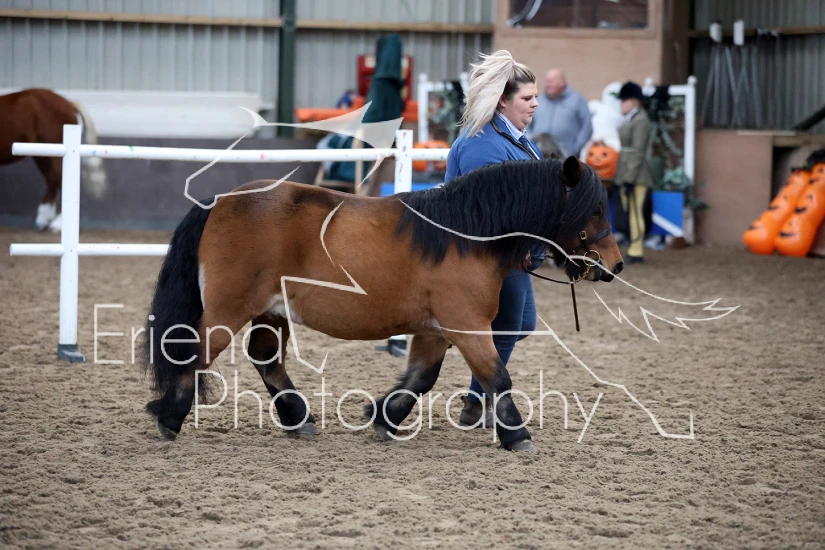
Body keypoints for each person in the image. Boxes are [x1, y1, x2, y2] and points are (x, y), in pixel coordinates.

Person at [445, 50, 543, 427]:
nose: (534, 104)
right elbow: (488, 209)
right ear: (503, 100)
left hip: (514, 252)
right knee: (506, 329)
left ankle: (474, 399)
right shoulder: (482, 144)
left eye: (536, 97)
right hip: (494, 254)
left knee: (522, 325)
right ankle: (479, 405)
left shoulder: (515, 139)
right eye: (527, 98)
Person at [613, 81, 653, 264]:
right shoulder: (632, 118)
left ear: (634, 101)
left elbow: (638, 152)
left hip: (637, 174)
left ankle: (637, 249)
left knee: (636, 212)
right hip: (627, 171)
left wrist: (629, 178)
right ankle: (633, 246)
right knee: (631, 212)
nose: (621, 104)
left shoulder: (641, 121)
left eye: (624, 100)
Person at [527, 69, 592, 159]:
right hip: (539, 157)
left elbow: (587, 127)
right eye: (547, 81)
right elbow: (527, 122)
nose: (547, 85)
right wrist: (530, 143)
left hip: (566, 157)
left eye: (551, 82)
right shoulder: (538, 101)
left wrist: (575, 149)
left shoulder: (577, 100)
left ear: (562, 83)